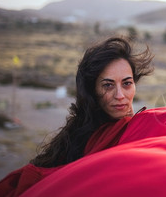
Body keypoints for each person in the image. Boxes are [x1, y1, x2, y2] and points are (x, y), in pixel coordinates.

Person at [31, 36, 154, 168]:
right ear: (92, 90)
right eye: (108, 85)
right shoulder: (77, 144)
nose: (120, 95)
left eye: (127, 83)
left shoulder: (147, 129)